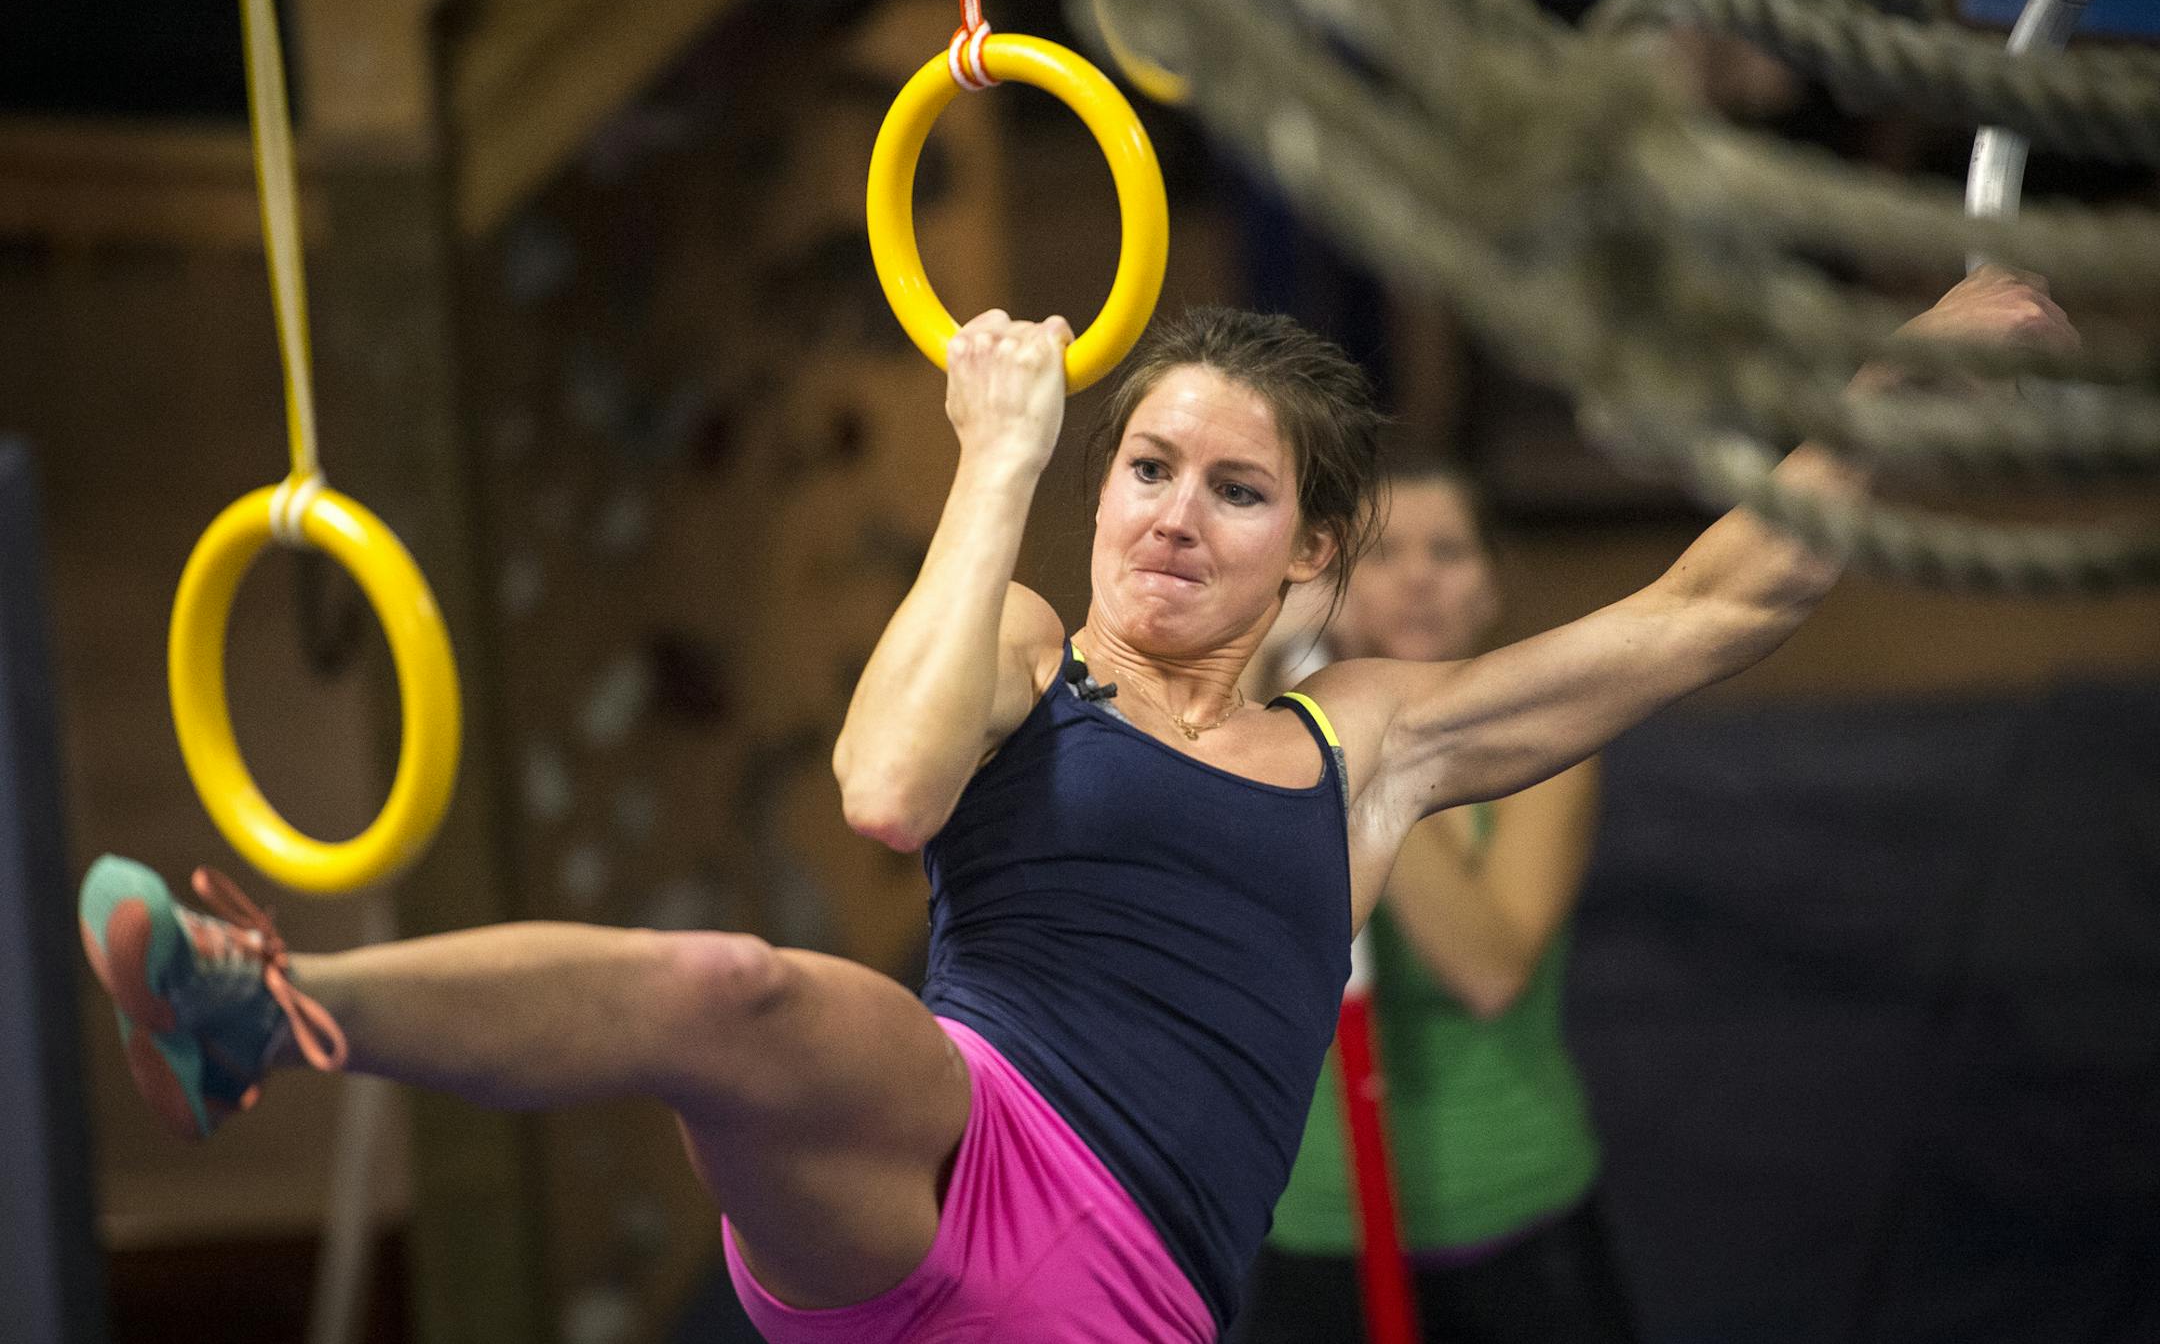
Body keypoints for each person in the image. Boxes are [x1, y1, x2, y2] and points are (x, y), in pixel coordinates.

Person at [78, 269, 2071, 1343]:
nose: (1170, 515)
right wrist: (998, 450)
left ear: (1314, 555)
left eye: (1233, 487)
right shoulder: (1020, 637)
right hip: (935, 1149)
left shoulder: (1361, 746)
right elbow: (882, 786)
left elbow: (1722, 597)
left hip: (1117, 1281)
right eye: (1145, 466)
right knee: (726, 988)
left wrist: (1902, 377)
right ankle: (264, 1005)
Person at [1230, 462, 1633, 1344]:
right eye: (1383, 554)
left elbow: (1489, 970)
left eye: (1447, 552)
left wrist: (1364, 745)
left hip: (1509, 1217)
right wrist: (1262, 673)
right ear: (1334, 582)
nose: (1415, 576)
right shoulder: (1270, 737)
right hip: (1312, 1224)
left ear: (1490, 586)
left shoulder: (1544, 746)